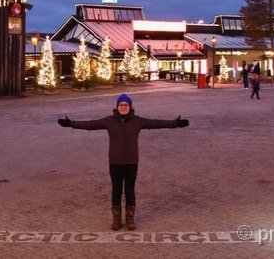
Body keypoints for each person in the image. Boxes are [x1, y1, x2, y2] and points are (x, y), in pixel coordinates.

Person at [57, 93, 189, 231]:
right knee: (116, 190)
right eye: (121, 104)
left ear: (130, 107)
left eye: (126, 104)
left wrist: (175, 123)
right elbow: (91, 124)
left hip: (131, 162)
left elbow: (156, 123)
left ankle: (130, 218)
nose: (123, 107)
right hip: (115, 162)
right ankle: (116, 219)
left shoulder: (138, 121)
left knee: (130, 190)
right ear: (117, 107)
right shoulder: (109, 121)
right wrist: (71, 123)